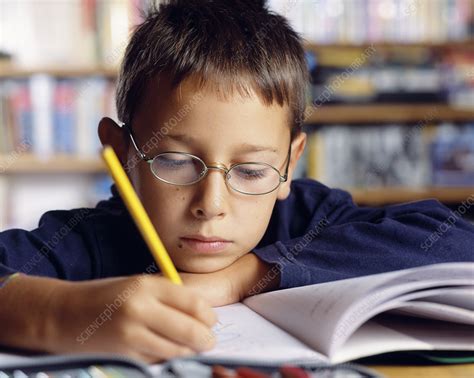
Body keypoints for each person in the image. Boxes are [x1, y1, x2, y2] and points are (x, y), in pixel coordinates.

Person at [0, 0, 473, 363]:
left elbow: (458, 237)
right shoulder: (83, 244)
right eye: (176, 161)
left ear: (290, 164)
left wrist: (247, 275)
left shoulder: (307, 217)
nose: (212, 204)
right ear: (122, 155)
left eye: (250, 171)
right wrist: (58, 314)